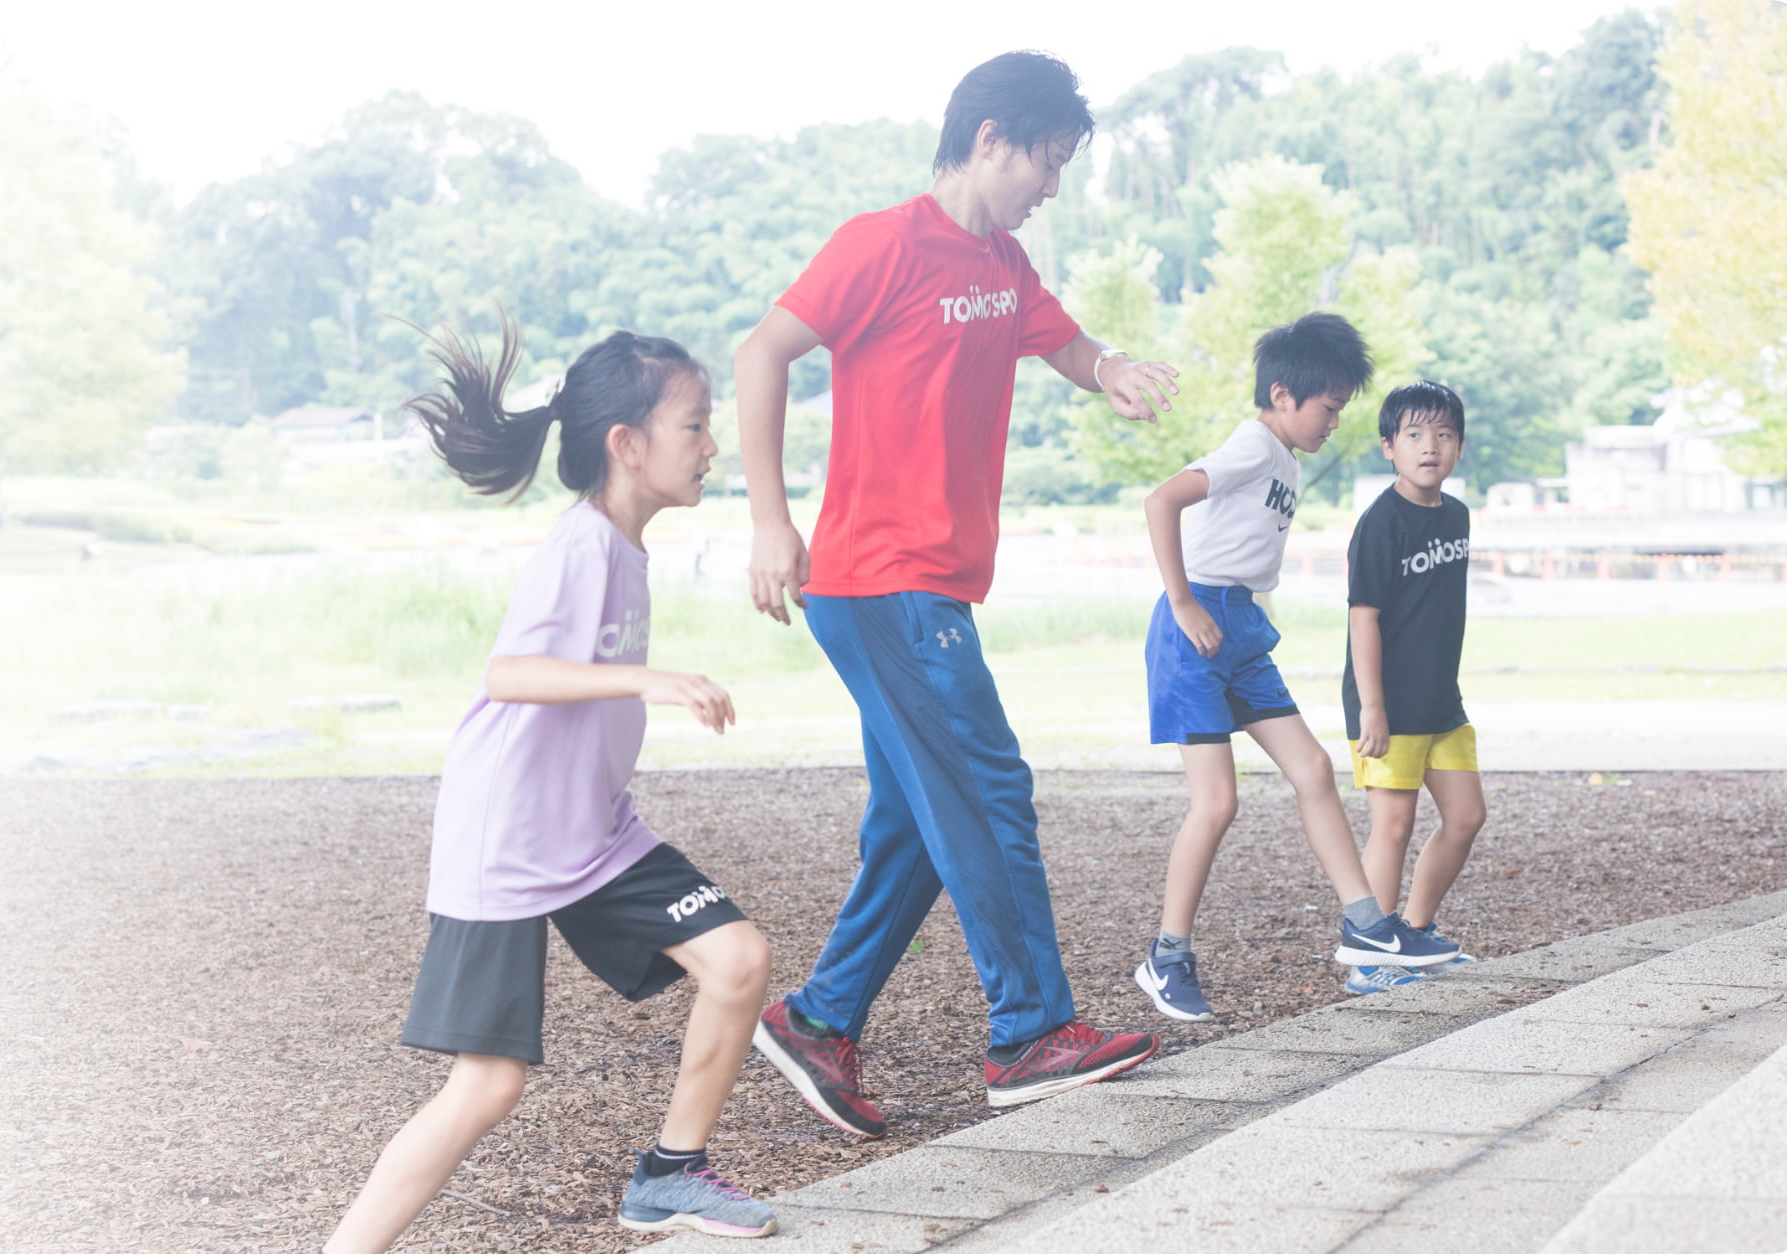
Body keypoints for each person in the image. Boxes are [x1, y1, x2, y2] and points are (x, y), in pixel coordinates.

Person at [736, 50, 1173, 1137]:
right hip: (882, 579)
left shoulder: (1004, 264)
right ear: (989, 139)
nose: (1052, 186)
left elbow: (1064, 343)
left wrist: (1111, 367)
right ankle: (1030, 1030)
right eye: (1047, 161)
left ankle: (818, 1020)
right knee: (986, 787)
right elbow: (761, 353)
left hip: (927, 585)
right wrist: (769, 519)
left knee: (917, 821)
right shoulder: (879, 244)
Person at [324, 324, 777, 1251]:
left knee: (737, 961)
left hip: (595, 833)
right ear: (628, 443)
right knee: (487, 1084)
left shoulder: (625, 545)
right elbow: (509, 673)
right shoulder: (581, 545)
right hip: (506, 838)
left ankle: (670, 1173)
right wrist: (652, 681)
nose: (711, 445)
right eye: (695, 425)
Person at [1136, 313, 1462, 1025]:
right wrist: (1183, 601)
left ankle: (1365, 923)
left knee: (1313, 769)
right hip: (1195, 631)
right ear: (1283, 396)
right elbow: (1161, 500)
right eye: (1330, 408)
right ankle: (1168, 954)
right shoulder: (1254, 445)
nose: (1335, 423)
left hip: (1241, 629)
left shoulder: (1283, 458)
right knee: (1217, 803)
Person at [1341, 380, 1485, 994]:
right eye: (1415, 434)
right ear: (1388, 447)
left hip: (1440, 700)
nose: (1431, 446)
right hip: (1388, 704)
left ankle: (1416, 935)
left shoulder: (1457, 514)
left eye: (1444, 434)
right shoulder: (1381, 523)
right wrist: (1373, 707)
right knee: (1393, 825)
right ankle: (1369, 957)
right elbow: (1364, 618)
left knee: (1467, 816)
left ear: (1459, 446)